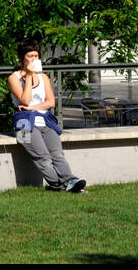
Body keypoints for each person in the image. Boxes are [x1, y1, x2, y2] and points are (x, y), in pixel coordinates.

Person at [8, 43, 86, 193]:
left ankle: (69, 181)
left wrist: (32, 108)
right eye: (30, 56)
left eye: (36, 56)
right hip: (23, 124)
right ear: (21, 59)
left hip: (45, 120)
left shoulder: (43, 77)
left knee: (57, 154)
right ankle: (63, 186)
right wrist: (29, 76)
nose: (34, 59)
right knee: (42, 157)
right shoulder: (14, 78)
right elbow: (24, 100)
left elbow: (51, 102)